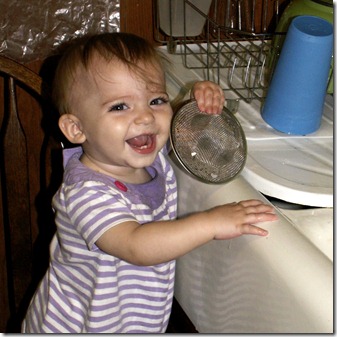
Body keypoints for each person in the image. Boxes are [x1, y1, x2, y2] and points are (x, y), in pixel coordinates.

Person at [22, 32, 278, 333]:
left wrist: (197, 100)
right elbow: (136, 245)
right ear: (77, 129)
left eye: (156, 100)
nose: (145, 116)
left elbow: (177, 127)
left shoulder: (147, 154)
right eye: (119, 107)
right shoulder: (86, 192)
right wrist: (210, 223)